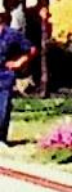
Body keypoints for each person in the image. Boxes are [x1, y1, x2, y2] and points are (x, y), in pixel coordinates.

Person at [0, 13, 36, 145]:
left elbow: (31, 49)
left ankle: (1, 138)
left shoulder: (12, 35)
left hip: (4, 76)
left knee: (2, 109)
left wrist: (18, 63)